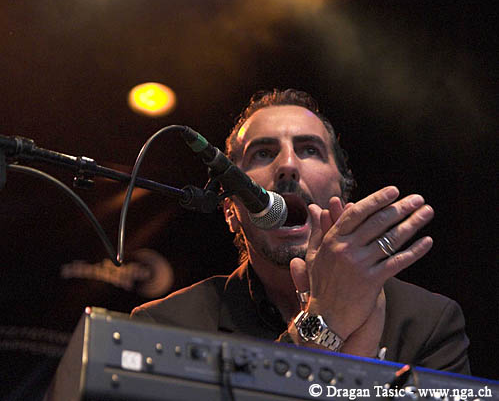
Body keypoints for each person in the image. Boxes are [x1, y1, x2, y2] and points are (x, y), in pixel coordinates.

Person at [131, 88, 470, 373]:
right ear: (231, 210)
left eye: (309, 150)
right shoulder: (165, 326)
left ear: (343, 194)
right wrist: (321, 326)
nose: (288, 165)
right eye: (263, 153)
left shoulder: (429, 322)